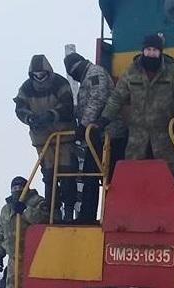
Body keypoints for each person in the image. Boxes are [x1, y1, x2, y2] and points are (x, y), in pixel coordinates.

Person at [96, 33, 174, 181]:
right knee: (133, 176)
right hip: (137, 138)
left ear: (160, 52)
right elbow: (116, 98)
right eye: (148, 49)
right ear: (143, 50)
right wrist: (104, 119)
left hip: (165, 136)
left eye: (155, 50)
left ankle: (168, 203)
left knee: (168, 177)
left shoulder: (172, 71)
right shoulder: (131, 72)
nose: (151, 53)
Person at [63, 51, 125, 223]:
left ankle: (109, 215)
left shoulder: (94, 73)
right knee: (92, 175)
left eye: (73, 70)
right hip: (97, 136)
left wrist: (83, 125)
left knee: (107, 177)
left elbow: (97, 99)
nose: (73, 74)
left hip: (110, 135)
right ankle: (87, 215)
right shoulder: (87, 78)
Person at [14, 55, 76, 222]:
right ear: (31, 74)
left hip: (63, 137)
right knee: (49, 176)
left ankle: (69, 212)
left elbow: (67, 105)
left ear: (48, 71)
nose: (40, 78)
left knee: (67, 174)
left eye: (42, 74)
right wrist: (30, 118)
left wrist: (51, 115)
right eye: (36, 75)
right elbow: (19, 108)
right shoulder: (26, 89)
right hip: (42, 140)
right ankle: (53, 212)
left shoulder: (60, 83)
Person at [0, 176, 49, 288]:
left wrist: (25, 210)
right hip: (14, 257)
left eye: (20, 187)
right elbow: (1, 233)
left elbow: (43, 220)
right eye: (14, 187)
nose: (17, 190)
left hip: (34, 257)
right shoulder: (6, 209)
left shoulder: (38, 202)